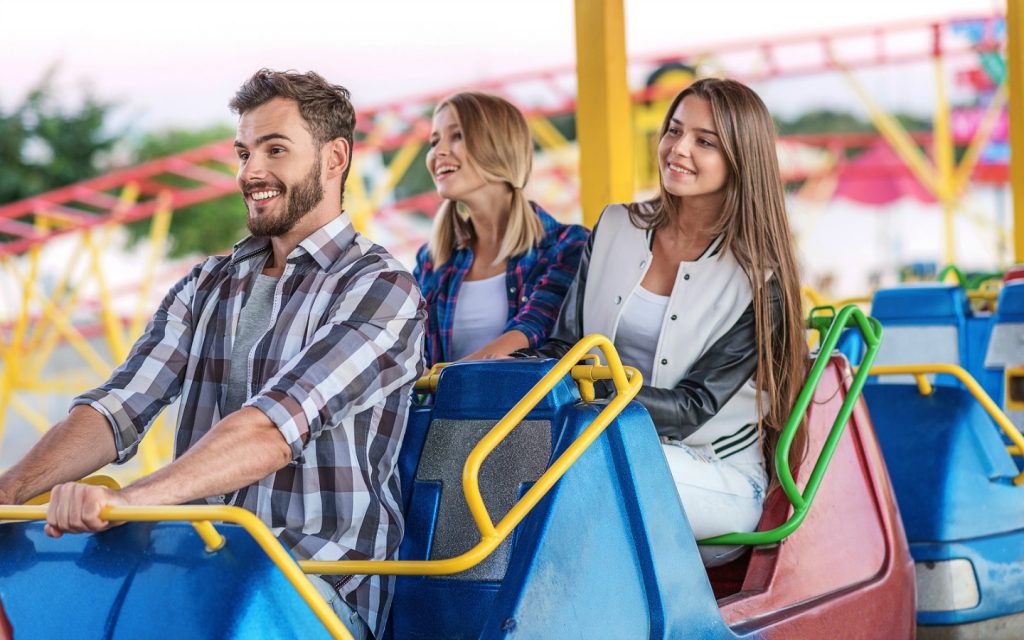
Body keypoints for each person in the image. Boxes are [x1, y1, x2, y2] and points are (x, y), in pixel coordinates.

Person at [0, 69, 425, 639]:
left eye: (275, 149)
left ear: (334, 158)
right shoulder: (208, 284)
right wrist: (11, 490)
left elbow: (274, 428)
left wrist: (128, 503)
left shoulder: (380, 288)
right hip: (197, 572)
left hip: (311, 589)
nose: (251, 172)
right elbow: (120, 405)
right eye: (244, 152)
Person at [525, 78, 807, 567]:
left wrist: (592, 392)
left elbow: (691, 409)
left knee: (587, 470)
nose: (678, 149)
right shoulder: (615, 226)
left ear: (742, 157)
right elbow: (564, 346)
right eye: (673, 131)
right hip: (601, 443)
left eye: (705, 141)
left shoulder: (760, 276)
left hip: (714, 472)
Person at [414, 92, 588, 366]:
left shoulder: (567, 245)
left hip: (525, 407)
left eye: (456, 136)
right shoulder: (431, 259)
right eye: (434, 141)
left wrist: (436, 379)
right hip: (444, 408)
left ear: (500, 147)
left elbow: (532, 330)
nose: (438, 152)